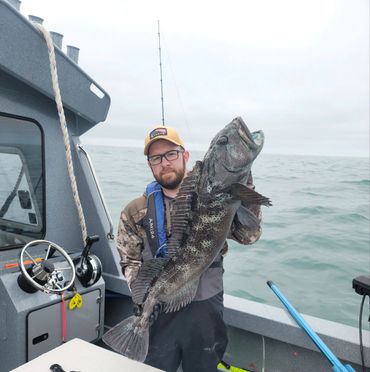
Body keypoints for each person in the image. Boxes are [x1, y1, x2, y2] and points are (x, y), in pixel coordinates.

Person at [116, 125, 262, 372]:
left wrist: (246, 191)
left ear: (184, 156)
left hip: (206, 310)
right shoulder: (134, 211)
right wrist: (147, 298)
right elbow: (129, 261)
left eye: (171, 154)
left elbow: (249, 236)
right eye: (156, 158)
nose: (165, 163)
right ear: (150, 164)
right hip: (158, 313)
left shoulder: (215, 195)